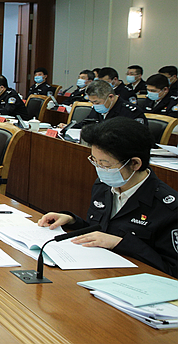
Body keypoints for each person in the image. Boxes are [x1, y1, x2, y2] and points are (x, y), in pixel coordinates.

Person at [37, 117, 177, 277]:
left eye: (105, 165)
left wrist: (120, 243)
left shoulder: (168, 208)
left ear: (135, 164)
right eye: (95, 161)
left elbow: (173, 270)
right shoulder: (103, 186)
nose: (99, 169)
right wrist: (72, 221)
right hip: (97, 272)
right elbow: (100, 230)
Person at [71, 80, 146, 129]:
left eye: (97, 102)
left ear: (111, 97)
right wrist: (70, 127)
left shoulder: (131, 112)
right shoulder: (98, 107)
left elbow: (137, 138)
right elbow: (86, 124)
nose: (94, 105)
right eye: (92, 102)